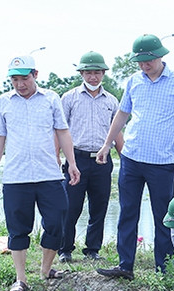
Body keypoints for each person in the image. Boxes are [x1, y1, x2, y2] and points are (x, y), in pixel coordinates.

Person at [95, 34, 174, 280]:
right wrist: (106, 144)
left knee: (163, 215)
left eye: (149, 61)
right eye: (141, 62)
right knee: (127, 211)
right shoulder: (134, 81)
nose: (145, 66)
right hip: (131, 158)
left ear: (160, 56)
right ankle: (125, 265)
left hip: (162, 162)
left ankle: (163, 267)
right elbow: (122, 114)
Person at [0, 54, 81, 291]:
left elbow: (62, 131)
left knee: (57, 220)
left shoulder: (50, 99)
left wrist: (72, 163)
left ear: (35, 75)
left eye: (24, 78)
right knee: (17, 228)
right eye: (15, 79)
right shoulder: (4, 102)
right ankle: (20, 279)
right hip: (17, 177)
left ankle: (45, 270)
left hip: (48, 174)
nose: (20, 84)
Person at [57, 51, 123, 264]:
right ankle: (65, 248)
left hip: (102, 160)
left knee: (99, 206)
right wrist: (56, 156)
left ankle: (93, 248)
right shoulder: (69, 98)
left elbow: (117, 132)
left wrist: (126, 160)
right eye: (88, 73)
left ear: (103, 73)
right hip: (76, 159)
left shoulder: (112, 101)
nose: (92, 77)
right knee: (70, 206)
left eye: (96, 73)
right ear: (81, 74)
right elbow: (59, 129)